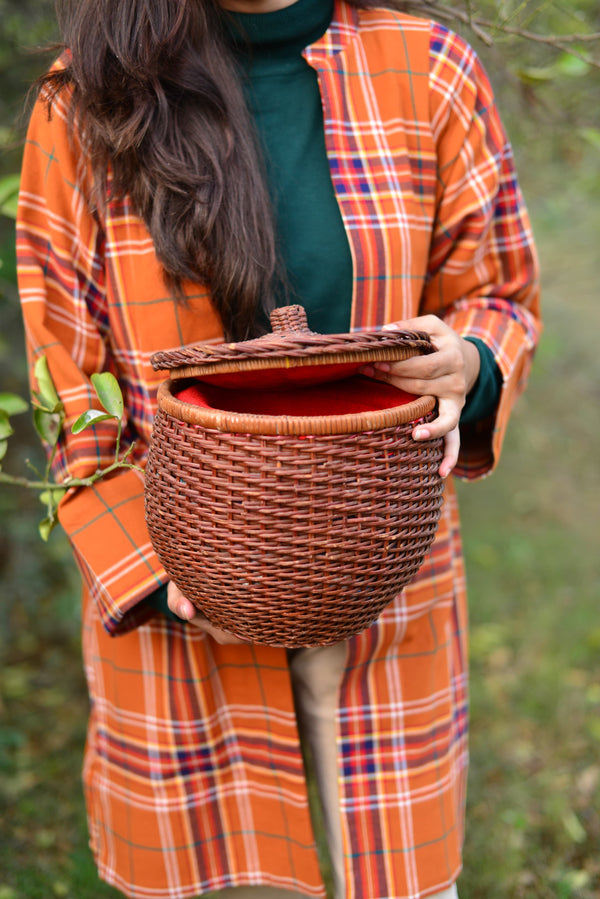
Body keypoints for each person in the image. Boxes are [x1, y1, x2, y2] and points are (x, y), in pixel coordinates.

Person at [16, 0, 541, 897]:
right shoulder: (85, 98)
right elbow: (66, 374)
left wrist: (473, 363)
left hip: (387, 571)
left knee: (399, 873)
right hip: (181, 599)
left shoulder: (429, 67)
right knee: (224, 875)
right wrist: (161, 572)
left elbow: (497, 291)